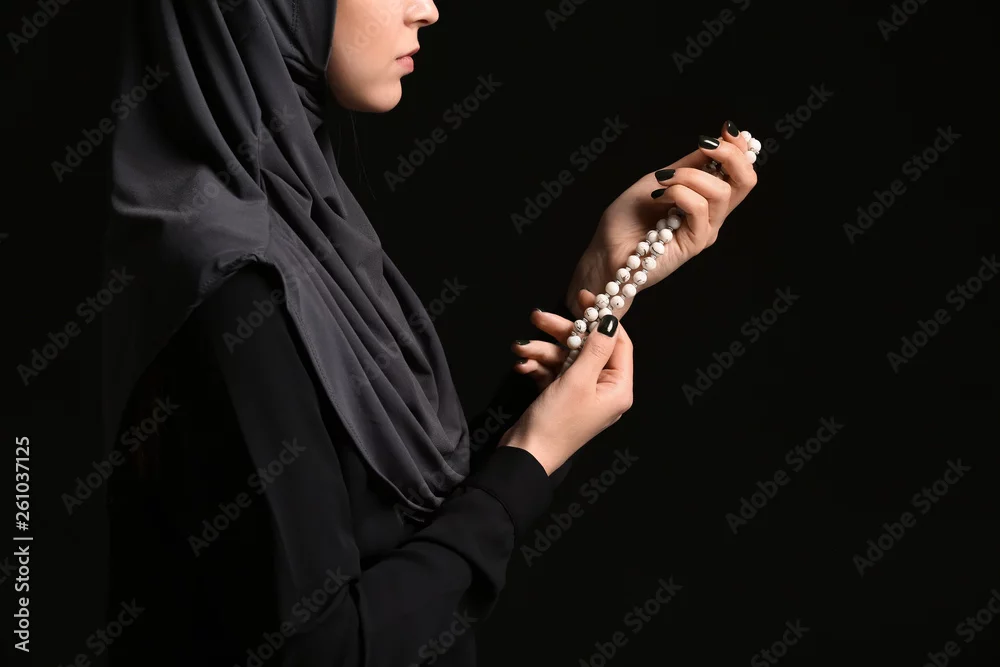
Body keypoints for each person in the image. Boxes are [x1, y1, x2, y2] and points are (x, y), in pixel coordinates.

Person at [100, 1, 755, 665]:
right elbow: (322, 651)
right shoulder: (236, 282)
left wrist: (600, 279)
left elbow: (395, 530)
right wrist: (529, 458)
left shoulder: (300, 217)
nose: (429, 10)